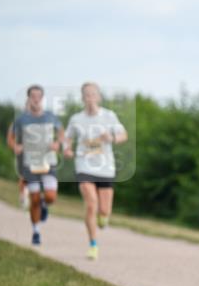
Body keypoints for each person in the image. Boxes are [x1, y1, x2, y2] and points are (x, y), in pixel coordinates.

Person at [63, 82, 128, 260]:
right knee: (91, 204)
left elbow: (124, 135)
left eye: (93, 94)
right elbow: (67, 138)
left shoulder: (109, 115)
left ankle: (104, 216)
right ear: (82, 97)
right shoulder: (76, 119)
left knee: (104, 211)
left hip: (105, 167)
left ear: (98, 97)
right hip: (84, 164)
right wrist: (67, 149)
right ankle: (93, 245)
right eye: (86, 94)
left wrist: (112, 137)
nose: (90, 97)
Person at [7, 85, 63, 245]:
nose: (36, 99)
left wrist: (58, 143)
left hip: (48, 161)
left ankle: (46, 205)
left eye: (39, 96)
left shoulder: (51, 116)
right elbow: (10, 137)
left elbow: (61, 133)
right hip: (30, 163)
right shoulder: (21, 119)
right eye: (33, 96)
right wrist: (15, 146)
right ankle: (36, 231)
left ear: (42, 98)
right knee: (35, 198)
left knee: (51, 196)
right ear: (29, 98)